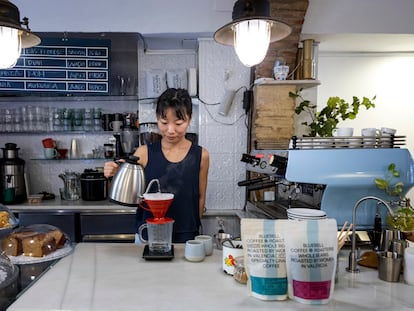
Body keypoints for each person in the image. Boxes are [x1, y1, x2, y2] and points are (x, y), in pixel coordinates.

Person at [104, 88, 210, 243]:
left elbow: (200, 198)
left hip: (186, 236)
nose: (171, 130)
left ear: (190, 119)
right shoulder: (144, 153)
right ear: (157, 118)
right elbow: (128, 190)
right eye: (164, 123)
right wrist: (114, 173)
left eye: (179, 123)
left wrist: (192, 229)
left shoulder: (201, 156)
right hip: (148, 233)